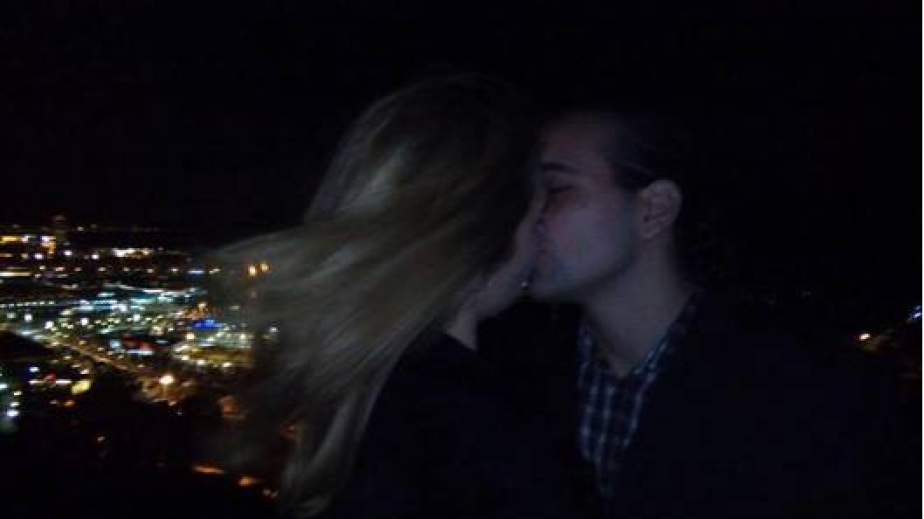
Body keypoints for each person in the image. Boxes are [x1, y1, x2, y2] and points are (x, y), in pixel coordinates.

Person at [486, 107, 916, 518]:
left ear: (654, 209)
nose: (521, 217)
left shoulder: (813, 396)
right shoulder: (507, 378)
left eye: (554, 190)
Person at [212, 76, 580, 519]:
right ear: (488, 232)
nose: (540, 241)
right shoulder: (484, 432)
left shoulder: (364, 395)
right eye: (536, 217)